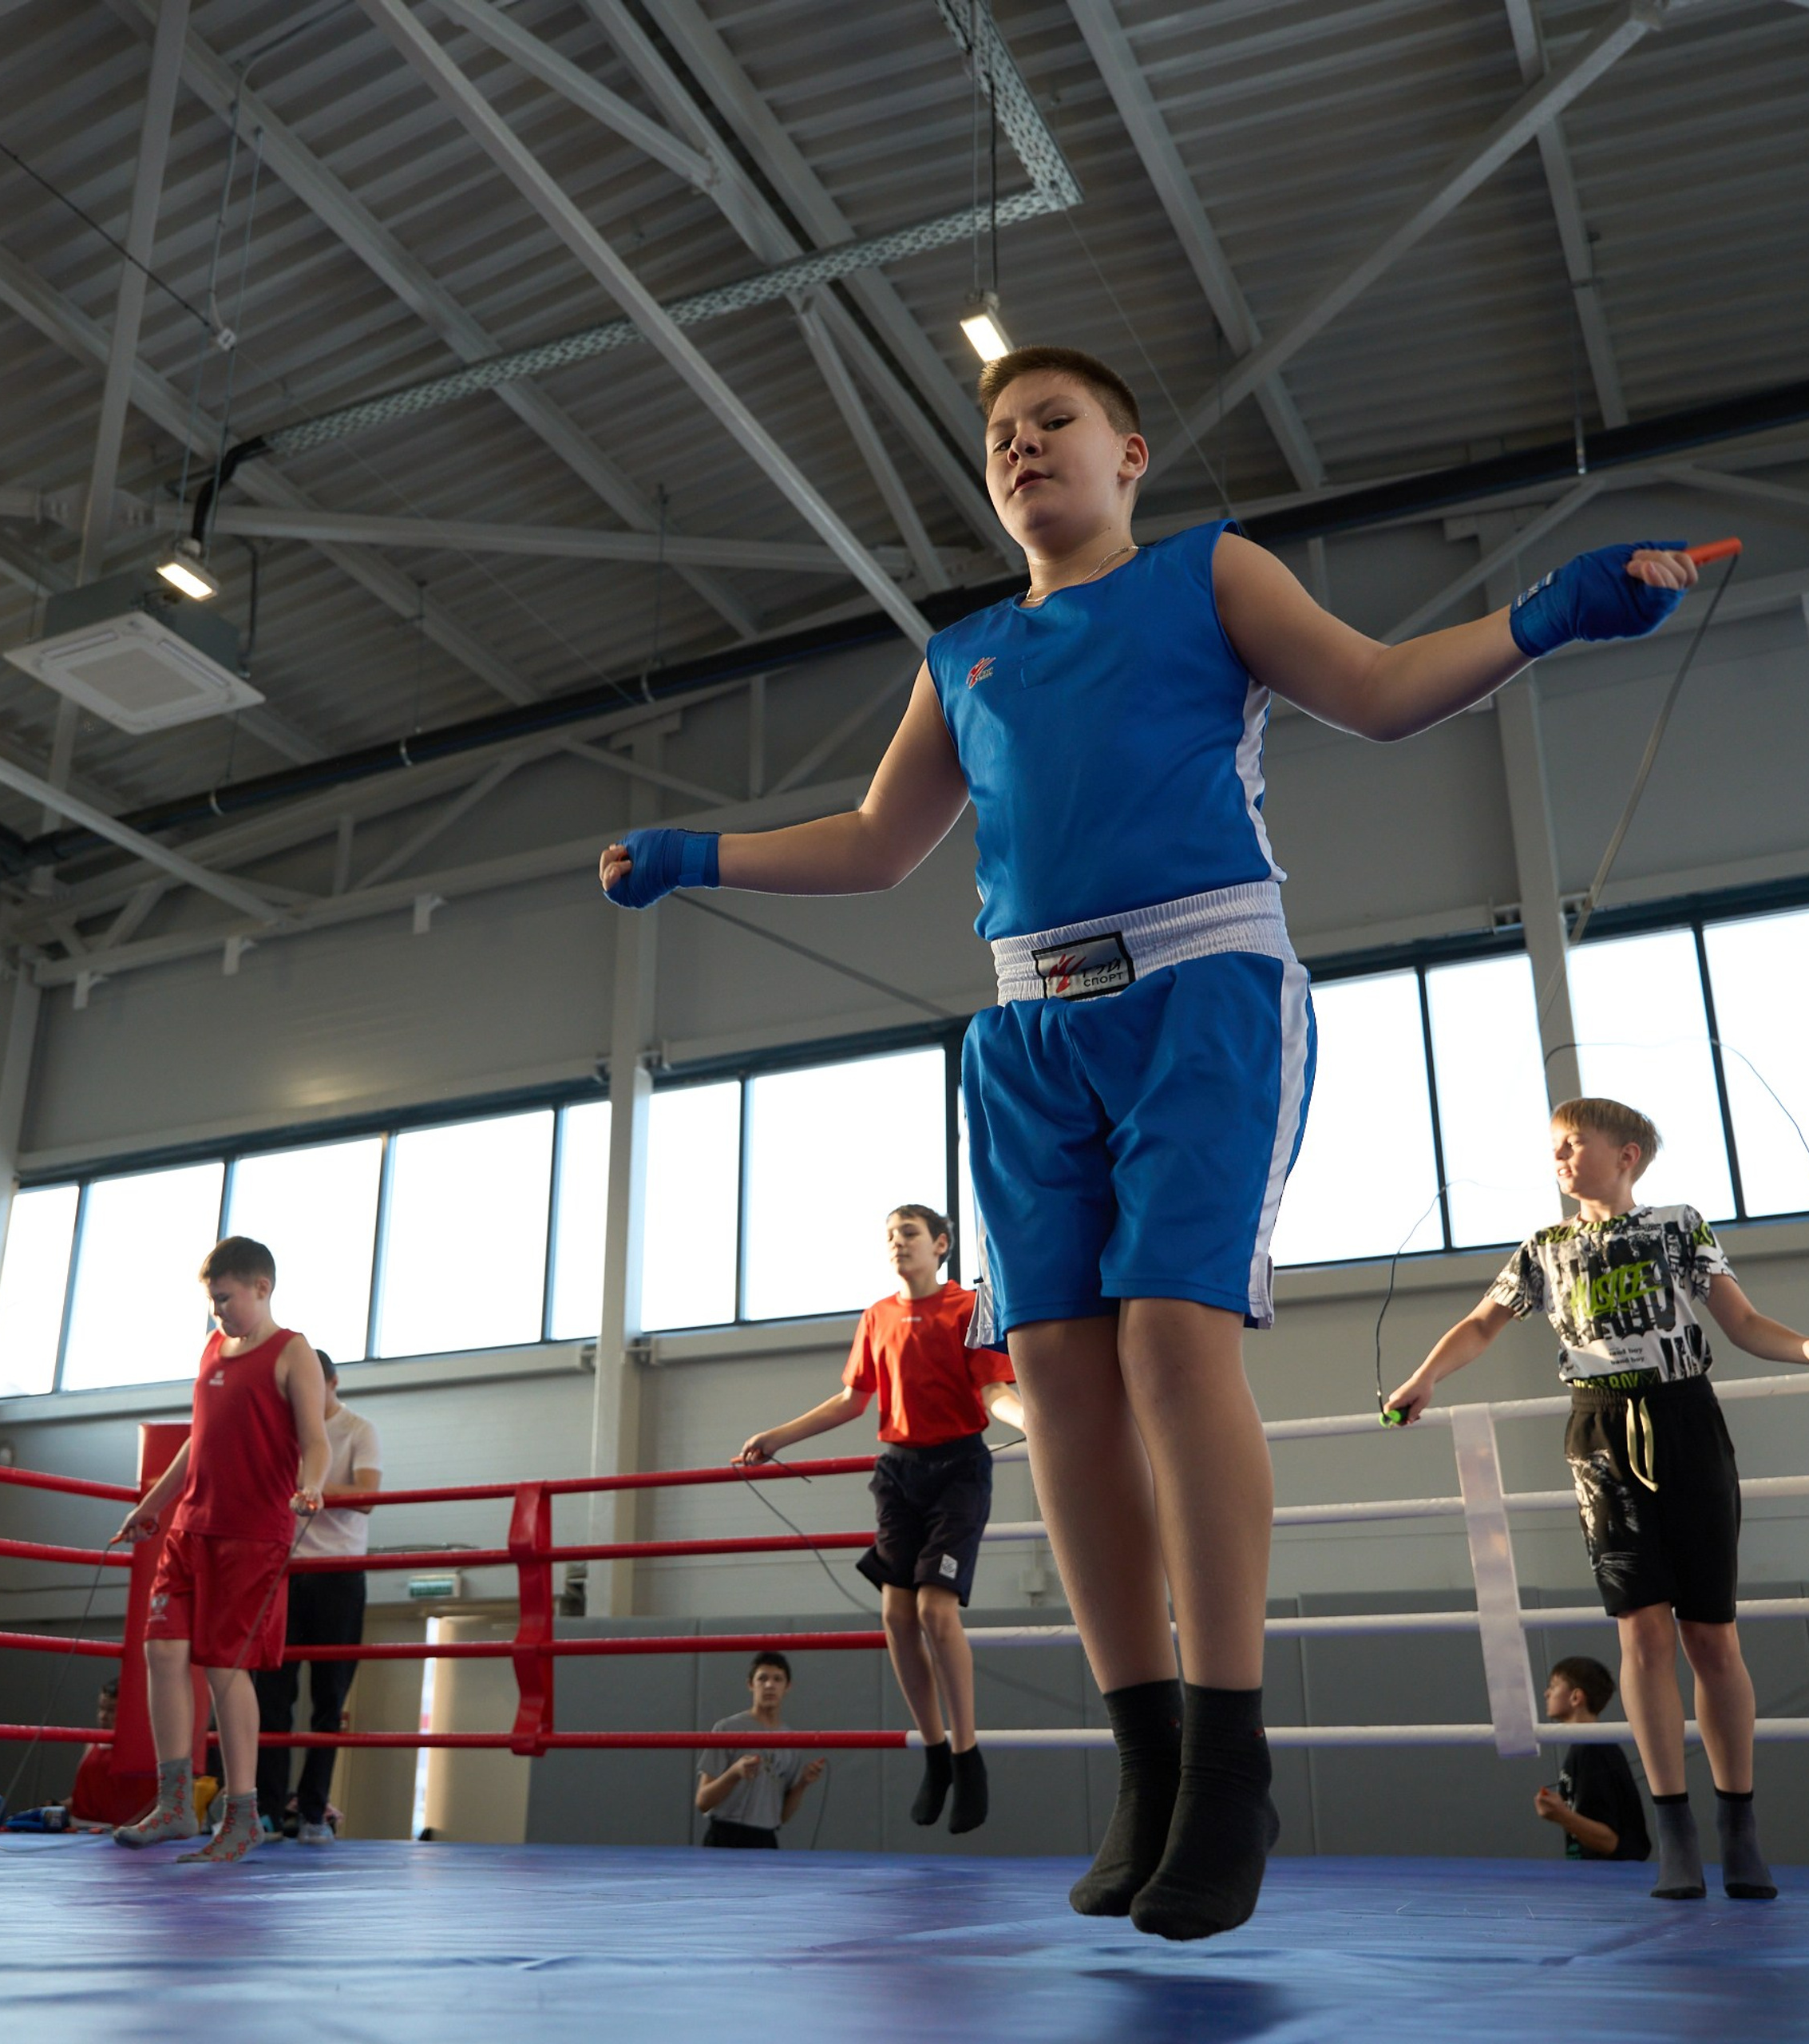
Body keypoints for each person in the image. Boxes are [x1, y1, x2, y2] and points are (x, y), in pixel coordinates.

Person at [600, 343, 1706, 1938]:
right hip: (1020, 1030)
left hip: (1201, 985)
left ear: (1125, 454)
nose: (1021, 446)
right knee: (1049, 1382)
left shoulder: (1206, 572)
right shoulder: (962, 652)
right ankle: (1146, 1754)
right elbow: (870, 843)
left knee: (1174, 1339)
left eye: (1051, 423)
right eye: (997, 435)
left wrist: (1549, 611)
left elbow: (1380, 691)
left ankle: (1230, 1759)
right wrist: (694, 851)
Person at [1387, 1096, 1806, 1902]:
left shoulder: (1679, 1225)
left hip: (1686, 1422)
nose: (1561, 1156)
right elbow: (1481, 1321)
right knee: (1641, 1632)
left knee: (1711, 1639)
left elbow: (1746, 1322)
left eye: (1575, 1143)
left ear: (1628, 1155)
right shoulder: (1543, 1250)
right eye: (1554, 1147)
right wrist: (1425, 1376)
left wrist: (1807, 1348)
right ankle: (1674, 1831)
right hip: (1600, 1436)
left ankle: (1738, 1827)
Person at [735, 1206, 1023, 1835]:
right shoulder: (878, 1316)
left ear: (941, 1245)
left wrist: (1030, 1421)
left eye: (910, 1234)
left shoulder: (968, 1309)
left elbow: (993, 1391)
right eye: (890, 1236)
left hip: (958, 1472)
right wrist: (778, 1437)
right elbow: (852, 1400)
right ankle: (935, 1752)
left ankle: (969, 1754)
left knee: (934, 1611)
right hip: (898, 1472)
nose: (897, 1244)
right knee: (896, 1614)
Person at [110, 1236, 330, 1864]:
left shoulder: (294, 1353)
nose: (219, 1313)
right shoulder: (211, 1350)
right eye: (212, 1302)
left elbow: (316, 1441)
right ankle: (176, 1803)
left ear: (261, 1288)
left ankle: (242, 1812)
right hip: (189, 1528)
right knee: (162, 1649)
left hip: (252, 1534)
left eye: (226, 1299)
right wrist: (150, 1506)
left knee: (225, 1668)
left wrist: (311, 1487)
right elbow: (197, 1442)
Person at [254, 1349, 382, 1844]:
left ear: (332, 1383)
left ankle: (311, 1811)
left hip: (339, 1575)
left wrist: (312, 1488)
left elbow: (369, 1495)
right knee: (272, 1696)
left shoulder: (358, 1429)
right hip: (283, 1571)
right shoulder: (287, 1431)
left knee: (330, 1700)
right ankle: (266, 1808)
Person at [695, 1651, 825, 1848]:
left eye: (777, 1679)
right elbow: (703, 1801)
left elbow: (781, 1816)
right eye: (762, 1678)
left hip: (765, 1839)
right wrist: (735, 1772)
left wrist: (802, 1784)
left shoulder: (791, 1740)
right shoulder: (727, 1729)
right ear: (750, 1684)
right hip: (724, 1835)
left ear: (787, 1687)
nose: (769, 1685)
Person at [1534, 1657, 1649, 1864]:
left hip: (1612, 1882)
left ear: (1576, 1697)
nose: (1547, 1693)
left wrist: (1561, 1815)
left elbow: (1610, 1842)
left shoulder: (1594, 1751)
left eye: (1553, 1686)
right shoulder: (1584, 1748)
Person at [65, 1677, 155, 1830]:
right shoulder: (91, 1744)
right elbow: (86, 1799)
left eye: (111, 1710)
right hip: (80, 1828)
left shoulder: (148, 1748)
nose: (103, 1716)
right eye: (101, 1708)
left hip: (125, 1832)